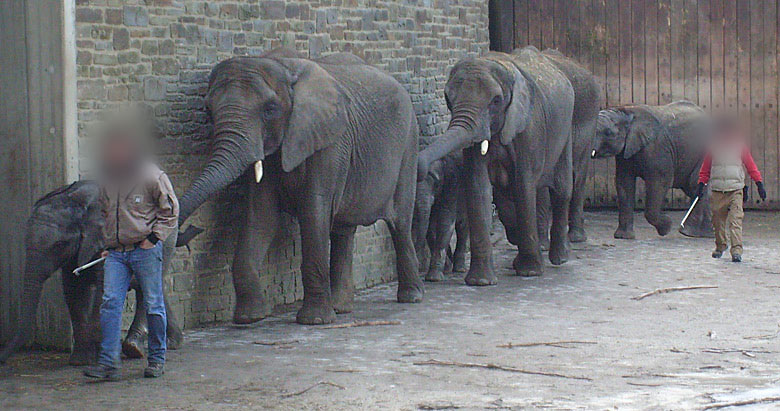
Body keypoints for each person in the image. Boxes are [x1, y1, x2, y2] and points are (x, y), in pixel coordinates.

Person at [84, 119, 178, 380]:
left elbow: (170, 211)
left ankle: (157, 359)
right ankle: (109, 364)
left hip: (144, 250)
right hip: (116, 254)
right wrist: (106, 244)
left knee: (153, 304)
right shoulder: (107, 178)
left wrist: (154, 239)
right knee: (110, 303)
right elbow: (104, 213)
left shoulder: (151, 175)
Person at [696, 118, 766, 263]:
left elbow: (750, 165)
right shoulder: (713, 148)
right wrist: (701, 184)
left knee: (735, 221)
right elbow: (706, 168)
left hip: (735, 190)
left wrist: (759, 183)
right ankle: (721, 246)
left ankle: (736, 250)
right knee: (717, 222)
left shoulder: (740, 147)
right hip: (717, 191)